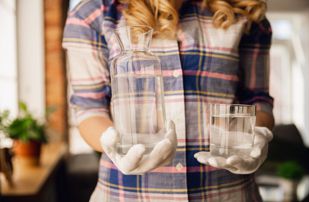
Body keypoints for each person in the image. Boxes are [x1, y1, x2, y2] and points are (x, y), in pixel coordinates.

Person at [63, 0, 274, 201]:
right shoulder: (93, 13)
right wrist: (111, 142)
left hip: (228, 193)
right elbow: (89, 109)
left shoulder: (245, 11)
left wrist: (255, 135)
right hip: (127, 195)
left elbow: (257, 101)